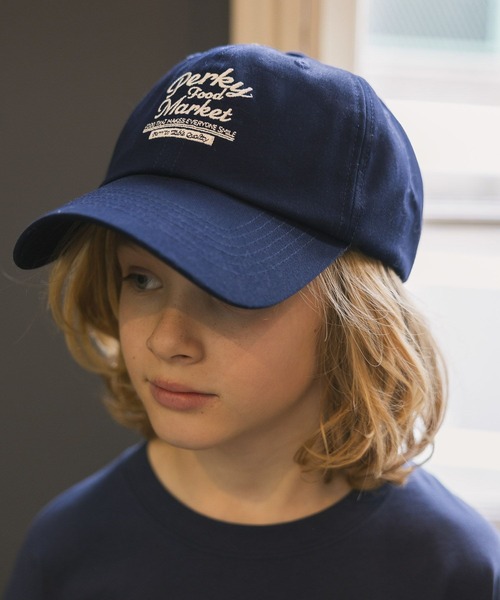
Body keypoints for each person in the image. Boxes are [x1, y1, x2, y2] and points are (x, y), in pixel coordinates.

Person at [6, 44, 500, 599]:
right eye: (141, 279)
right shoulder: (69, 551)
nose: (166, 340)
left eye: (229, 288)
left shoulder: (447, 568)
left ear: (356, 318)